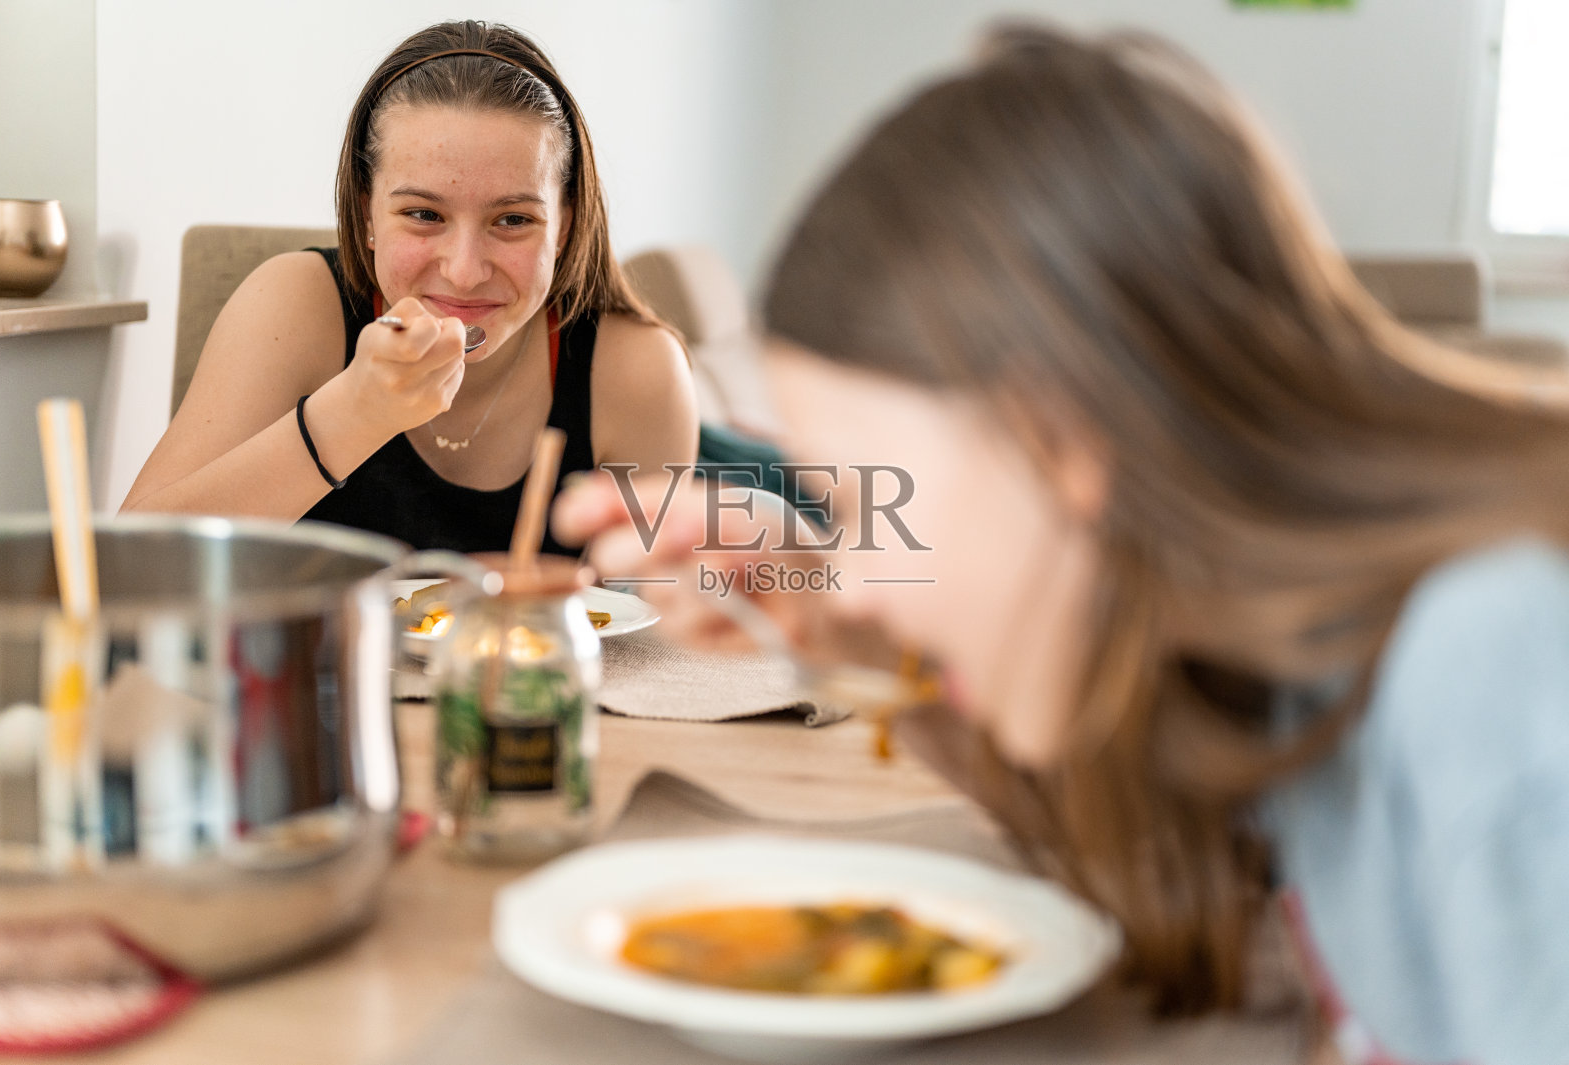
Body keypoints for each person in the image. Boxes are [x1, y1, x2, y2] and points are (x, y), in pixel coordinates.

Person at [554, 24, 1569, 1065]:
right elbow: (1137, 869)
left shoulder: (1494, 662)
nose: (862, 564)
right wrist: (819, 610)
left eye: (862, 501)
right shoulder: (1283, 657)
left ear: (1061, 440)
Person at [123, 20, 697, 554]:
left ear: (565, 226)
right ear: (366, 213)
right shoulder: (292, 307)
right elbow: (126, 569)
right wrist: (354, 413)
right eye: (424, 215)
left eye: (513, 220)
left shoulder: (638, 371)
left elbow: (659, 636)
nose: (465, 270)